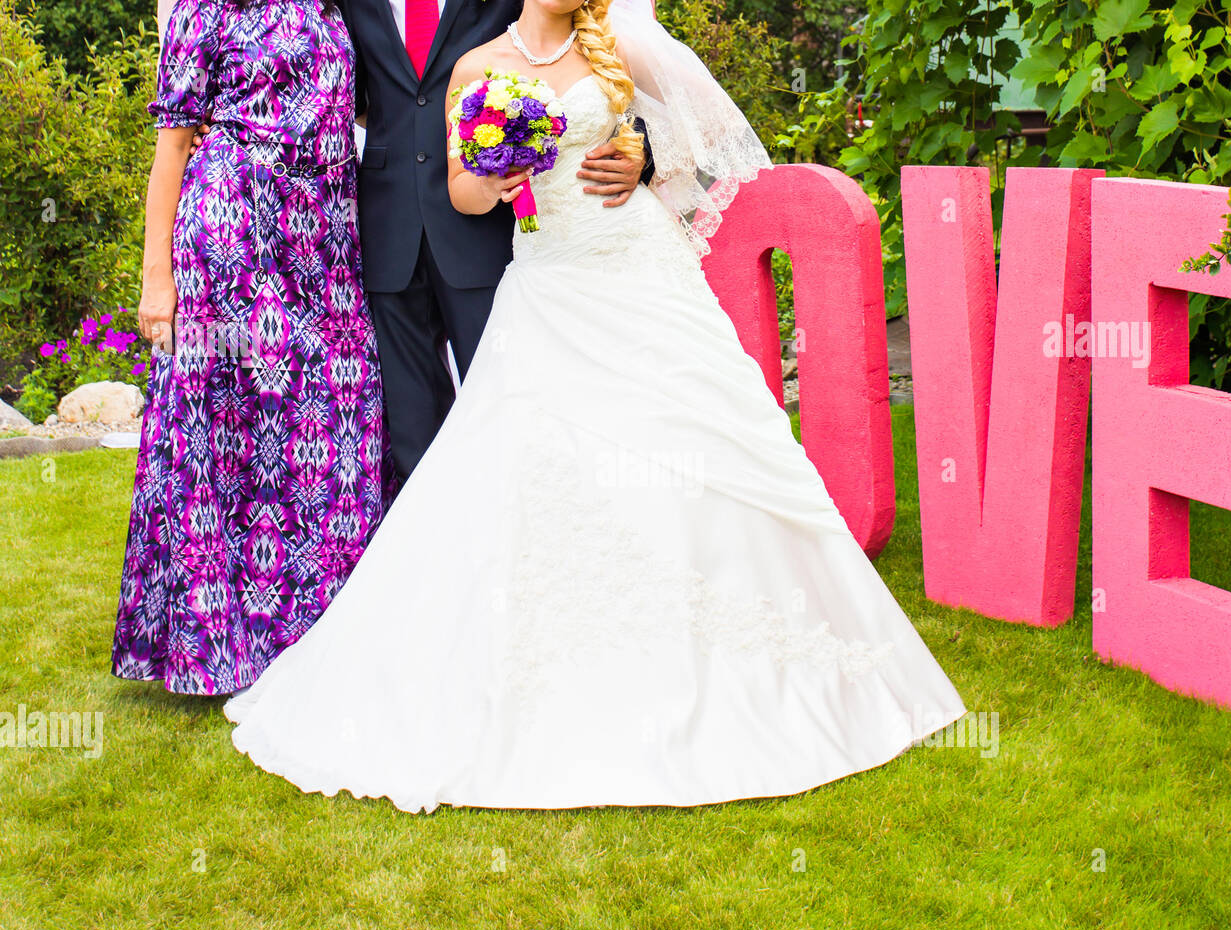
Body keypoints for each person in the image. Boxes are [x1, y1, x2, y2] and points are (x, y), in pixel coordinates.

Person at [224, 0, 967, 812]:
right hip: (535, 273)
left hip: (637, 269)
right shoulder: (480, 67)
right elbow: (463, 187)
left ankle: (721, 644)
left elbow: (704, 132)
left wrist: (643, 158)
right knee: (512, 460)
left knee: (681, 447)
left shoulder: (618, 45)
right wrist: (494, 174)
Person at [113, 0, 390, 696]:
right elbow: (172, 145)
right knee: (230, 438)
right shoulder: (205, 8)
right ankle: (221, 649)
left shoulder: (333, 8)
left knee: (334, 421)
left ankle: (323, 634)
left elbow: (355, 107)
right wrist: (157, 277)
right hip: (232, 234)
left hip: (321, 246)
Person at [338, 0, 650, 486]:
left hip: (490, 234)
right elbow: (330, 82)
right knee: (412, 428)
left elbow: (587, 58)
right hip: (389, 224)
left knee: (514, 406)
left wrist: (639, 152)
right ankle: (438, 546)